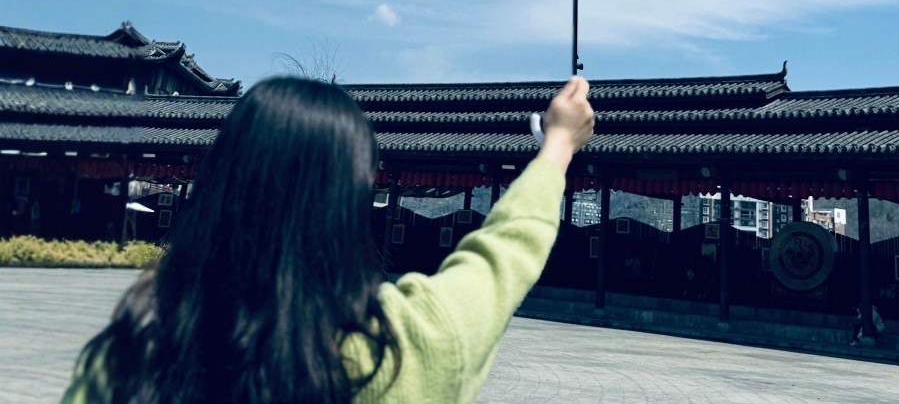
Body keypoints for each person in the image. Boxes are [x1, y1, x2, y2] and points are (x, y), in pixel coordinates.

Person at [61, 73, 595, 403]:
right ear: (348, 203)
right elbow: (504, 250)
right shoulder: (407, 345)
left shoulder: (130, 359)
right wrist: (558, 146)